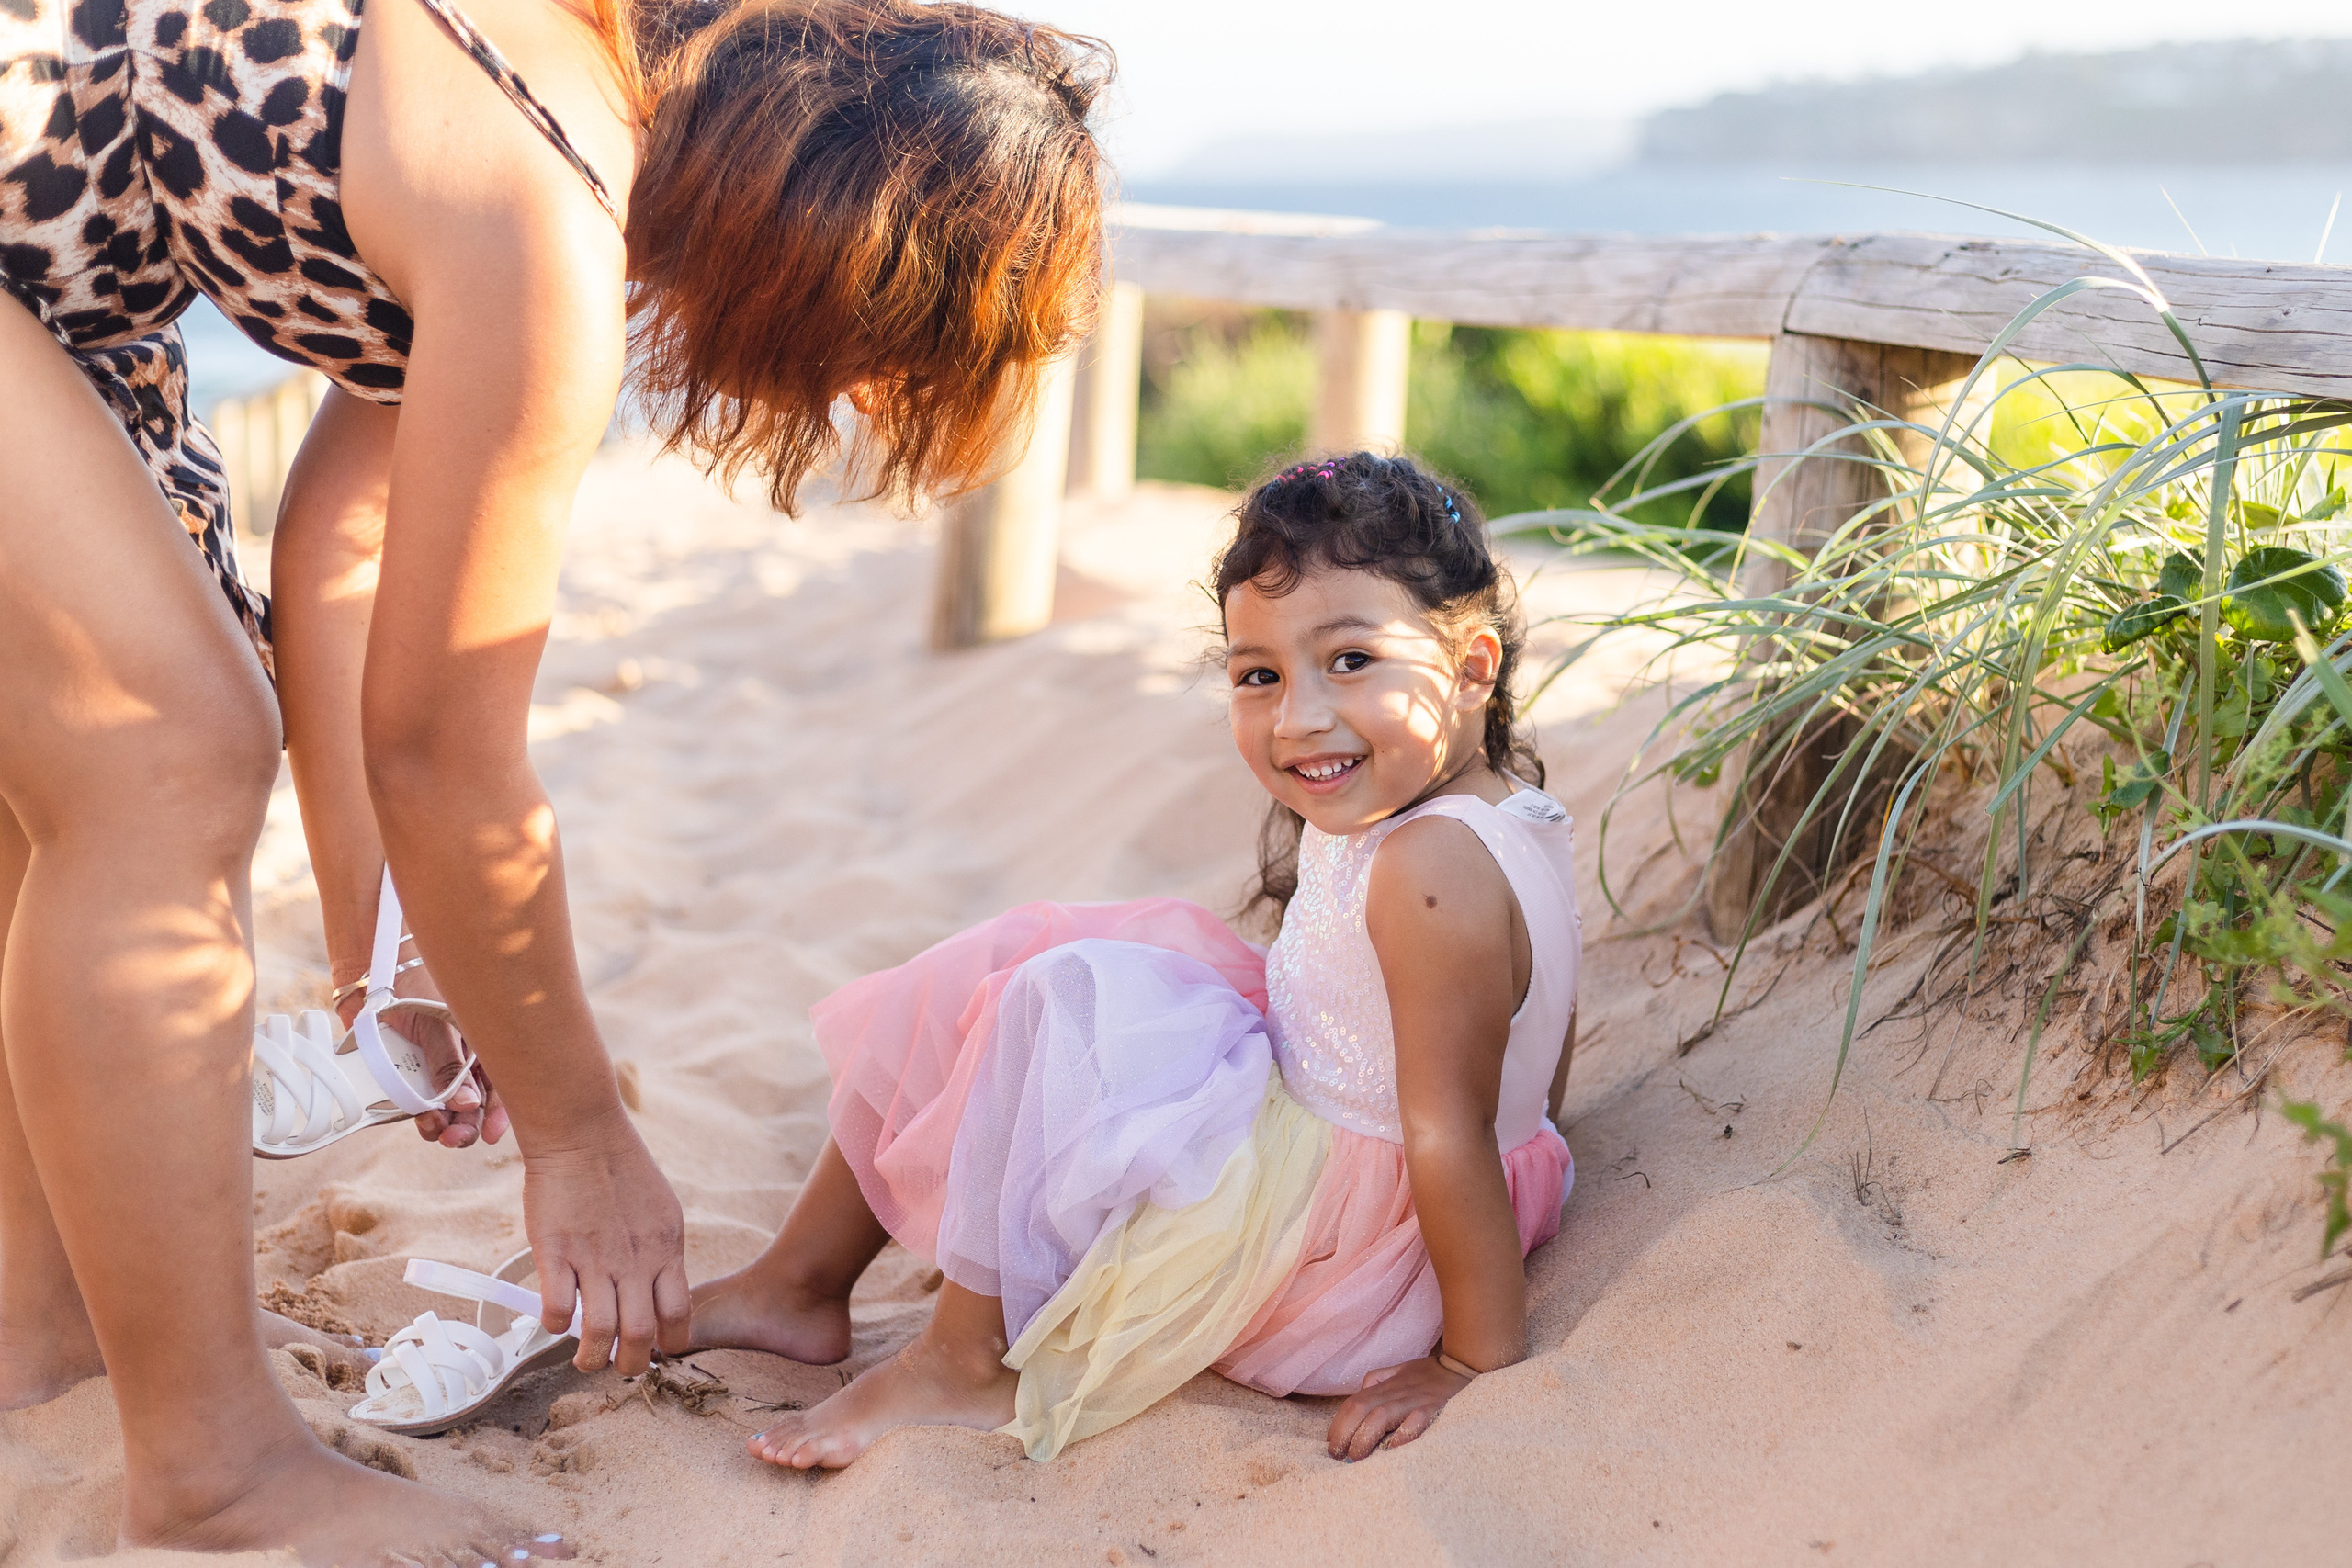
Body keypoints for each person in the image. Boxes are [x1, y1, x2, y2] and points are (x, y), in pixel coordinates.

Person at [0, 0, 1108, 1555]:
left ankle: (39, 1345)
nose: (852, 397)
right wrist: (577, 1135)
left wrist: (378, 955)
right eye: (881, 351)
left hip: (53, 286)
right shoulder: (547, 232)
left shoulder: (568, 79)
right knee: (164, 755)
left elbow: (350, 548)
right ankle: (216, 1476)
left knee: (76, 763)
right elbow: (449, 758)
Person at [688, 451, 1580, 1467]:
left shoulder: (1427, 867)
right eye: (1260, 675)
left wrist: (1468, 1358)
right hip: (1367, 1127)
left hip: (1347, 1245)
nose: (1299, 718)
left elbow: (1447, 1129)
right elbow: (1535, 1056)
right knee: (1031, 947)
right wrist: (1539, 1153)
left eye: (1350, 661)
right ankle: (797, 1282)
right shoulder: (1498, 807)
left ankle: (961, 1360)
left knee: (1057, 1002)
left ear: (1472, 666)